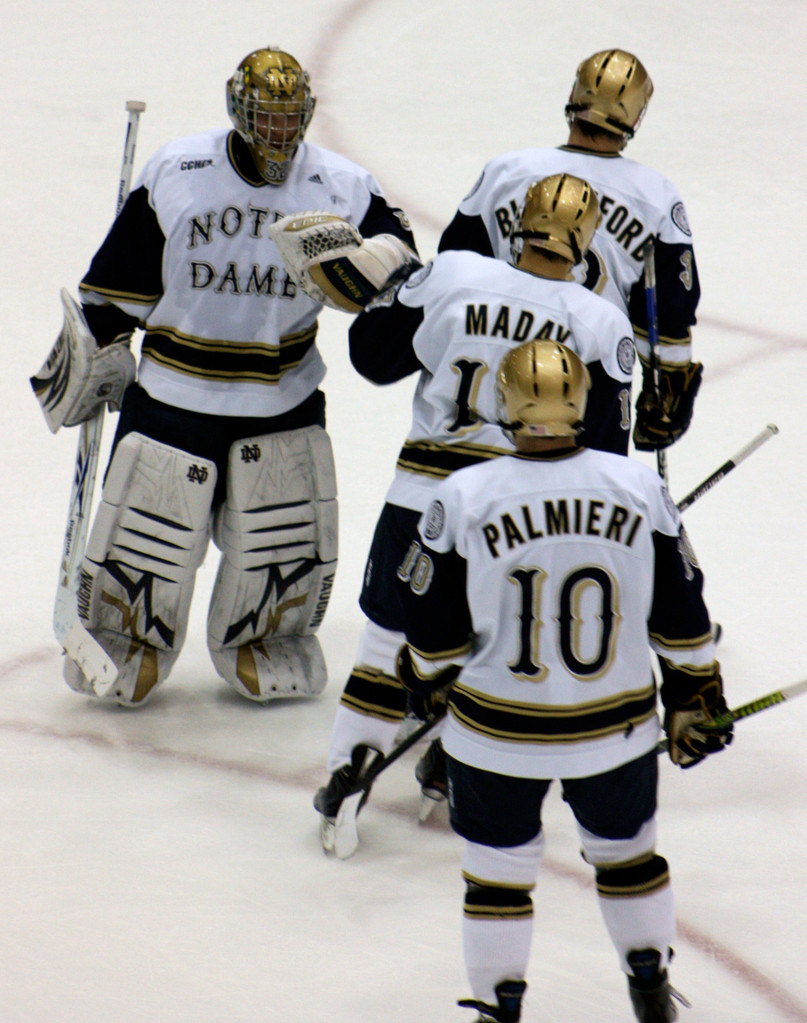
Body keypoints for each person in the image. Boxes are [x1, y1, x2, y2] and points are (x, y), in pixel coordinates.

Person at [30, 46, 418, 707]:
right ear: (238, 111)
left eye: (289, 118)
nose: (279, 133)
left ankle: (264, 638)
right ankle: (130, 639)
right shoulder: (179, 171)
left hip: (282, 395)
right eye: (266, 118)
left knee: (282, 541)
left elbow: (402, 264)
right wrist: (92, 346)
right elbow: (118, 282)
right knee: (147, 538)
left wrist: (376, 263)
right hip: (174, 394)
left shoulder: (343, 186)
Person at [396, 339, 733, 1023]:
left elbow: (431, 633)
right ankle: (647, 982)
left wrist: (426, 683)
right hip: (615, 728)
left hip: (496, 732)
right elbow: (682, 611)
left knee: (497, 873)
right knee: (628, 856)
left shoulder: (461, 494)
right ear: (579, 402)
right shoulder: (639, 487)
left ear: (505, 404)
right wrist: (693, 695)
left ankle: (498, 1007)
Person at [309, 173, 636, 848]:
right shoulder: (599, 322)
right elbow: (602, 450)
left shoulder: (453, 275)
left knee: (385, 640)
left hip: (421, 500)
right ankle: (454, 763)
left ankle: (348, 771)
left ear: (517, 224)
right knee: (489, 651)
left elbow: (371, 360)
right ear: (583, 242)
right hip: (515, 514)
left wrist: (385, 291)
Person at [439, 49, 703, 455]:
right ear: (635, 116)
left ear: (575, 96)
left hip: (487, 381)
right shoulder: (655, 197)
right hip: (586, 390)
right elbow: (669, 316)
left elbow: (451, 270)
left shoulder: (505, 172)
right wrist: (666, 392)